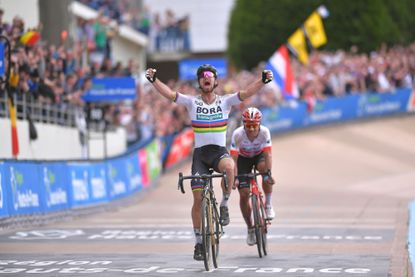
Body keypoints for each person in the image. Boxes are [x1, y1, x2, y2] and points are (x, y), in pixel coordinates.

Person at [145, 64, 273, 260]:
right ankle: (198, 243)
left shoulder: (225, 101)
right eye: (203, 76)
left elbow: (247, 92)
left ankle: (224, 204)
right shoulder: (191, 102)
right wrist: (154, 81)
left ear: (215, 81)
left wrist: (262, 80)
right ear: (199, 82)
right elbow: (170, 94)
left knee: (230, 166)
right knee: (197, 200)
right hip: (200, 156)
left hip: (219, 153)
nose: (207, 78)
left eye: (210, 76)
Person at [230, 107, 276, 246]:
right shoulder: (237, 134)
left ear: (259, 124)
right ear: (243, 124)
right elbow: (233, 159)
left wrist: (268, 174)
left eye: (254, 125)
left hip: (259, 156)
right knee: (244, 194)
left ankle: (268, 204)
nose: (251, 129)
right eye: (248, 125)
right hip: (243, 160)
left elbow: (268, 154)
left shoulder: (264, 132)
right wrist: (236, 178)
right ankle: (250, 228)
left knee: (265, 171)